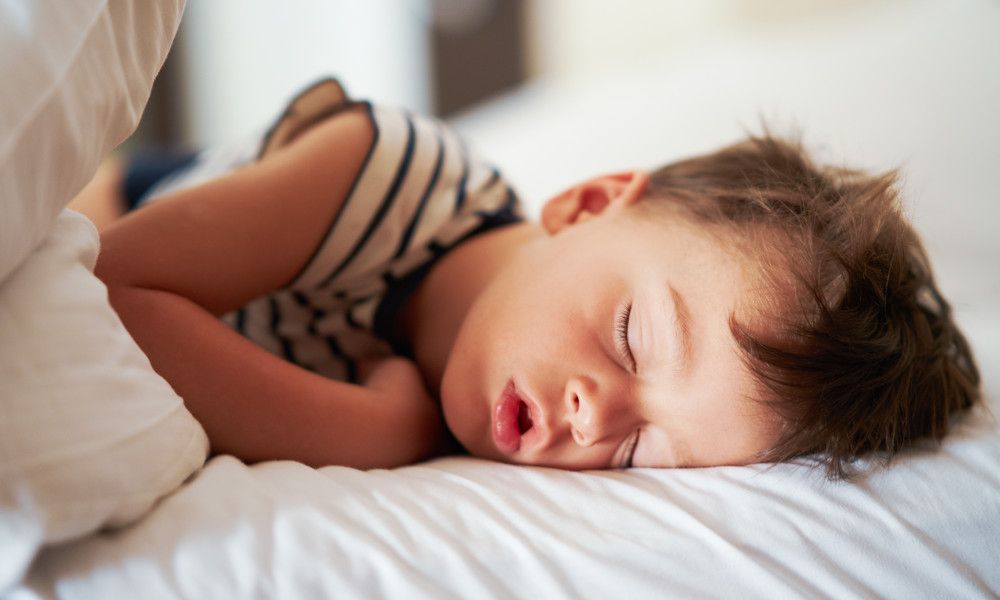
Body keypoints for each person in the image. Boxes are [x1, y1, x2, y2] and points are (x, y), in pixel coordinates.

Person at [72, 78, 981, 478]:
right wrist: (374, 432)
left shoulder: (496, 415)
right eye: (632, 338)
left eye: (641, 454)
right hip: (135, 190)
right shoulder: (382, 175)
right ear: (587, 205)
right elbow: (107, 290)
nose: (597, 420)